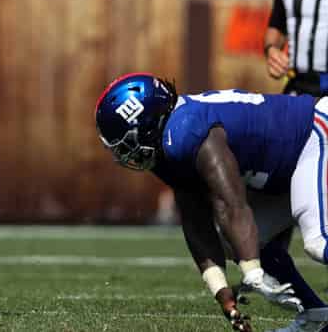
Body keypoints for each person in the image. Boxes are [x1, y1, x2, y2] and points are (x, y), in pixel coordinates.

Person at [95, 74, 328, 332]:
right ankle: (317, 316)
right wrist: (223, 294)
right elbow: (196, 221)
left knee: (318, 242)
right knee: (231, 240)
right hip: (286, 167)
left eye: (128, 142)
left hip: (316, 132)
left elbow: (231, 203)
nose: (127, 154)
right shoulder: (167, 146)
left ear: (149, 121)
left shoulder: (186, 130)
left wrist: (252, 272)